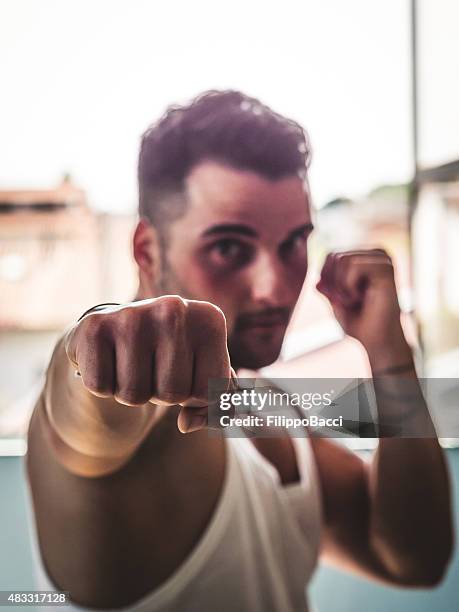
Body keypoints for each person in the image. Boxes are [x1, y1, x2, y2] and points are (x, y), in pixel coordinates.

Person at [26, 90, 453, 611]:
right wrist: (93, 347)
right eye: (229, 247)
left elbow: (412, 559)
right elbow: (85, 416)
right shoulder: (126, 421)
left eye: (294, 242)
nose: (275, 287)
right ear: (146, 251)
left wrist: (390, 356)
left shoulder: (265, 407)